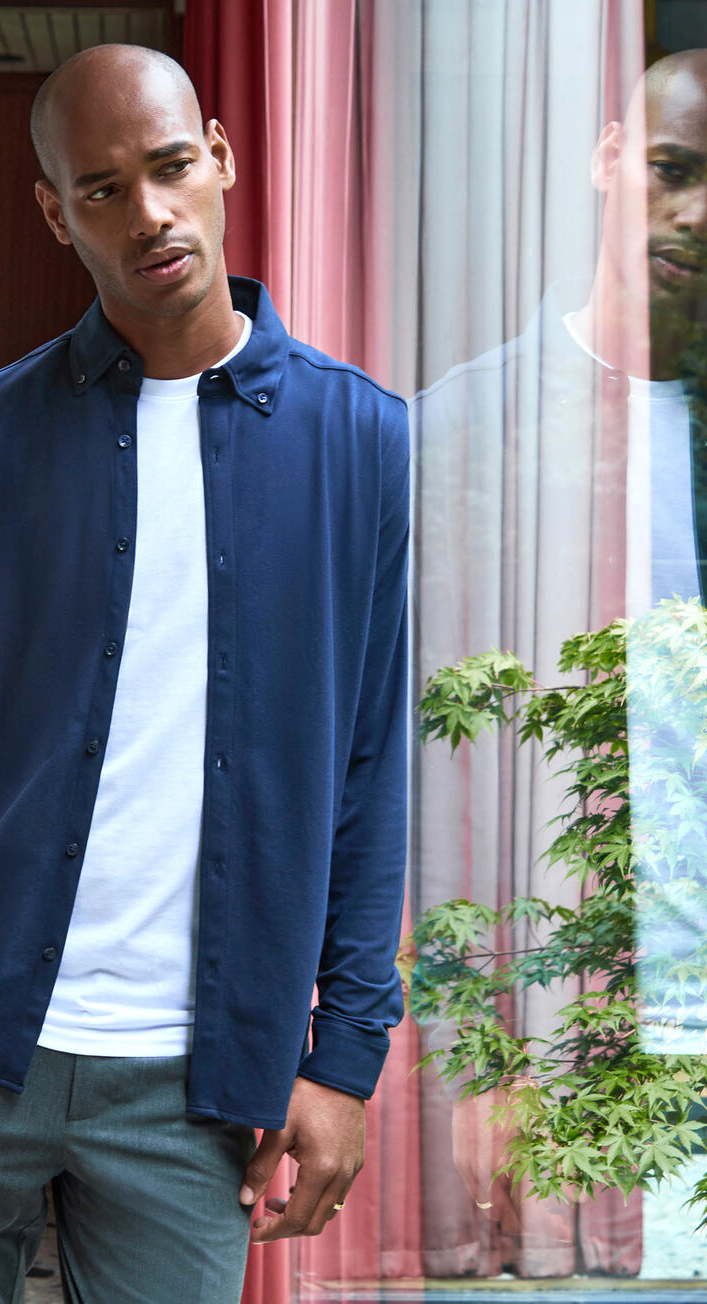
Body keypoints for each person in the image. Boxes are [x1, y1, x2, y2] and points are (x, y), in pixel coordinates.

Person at [0, 42, 410, 1304]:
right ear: (56, 214)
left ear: (221, 159)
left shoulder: (358, 438)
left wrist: (344, 1055)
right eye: (100, 189)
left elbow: (366, 764)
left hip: (193, 1085)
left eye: (170, 166)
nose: (147, 213)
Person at [410, 49, 707, 1274]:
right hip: (557, 1033)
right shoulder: (467, 429)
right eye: (672, 170)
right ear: (604, 159)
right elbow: (430, 784)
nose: (696, 213)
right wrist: (475, 1057)